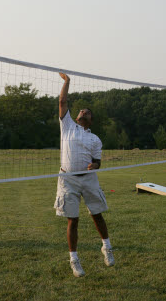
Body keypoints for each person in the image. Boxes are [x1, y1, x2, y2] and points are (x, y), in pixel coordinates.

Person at [54, 73, 114, 277]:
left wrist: (94, 165)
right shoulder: (67, 125)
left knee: (97, 215)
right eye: (81, 110)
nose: (82, 112)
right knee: (73, 220)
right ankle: (74, 259)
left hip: (88, 179)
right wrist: (67, 82)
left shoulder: (95, 139)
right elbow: (62, 101)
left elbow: (98, 161)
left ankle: (106, 247)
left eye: (87, 112)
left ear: (90, 120)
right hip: (68, 179)